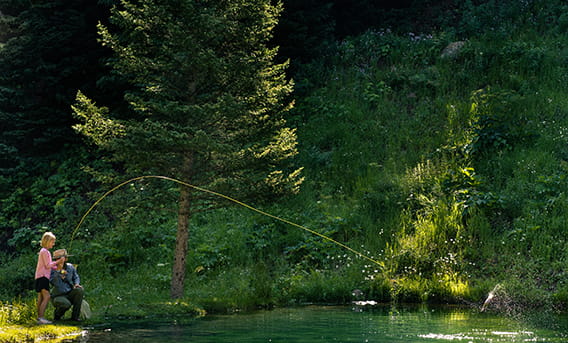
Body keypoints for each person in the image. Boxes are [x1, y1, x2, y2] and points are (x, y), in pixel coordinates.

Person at [50, 249, 84, 321]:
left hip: (69, 292)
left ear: (65, 258)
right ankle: (57, 315)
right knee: (66, 304)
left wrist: (76, 284)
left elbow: (76, 277)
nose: (58, 260)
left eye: (60, 258)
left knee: (79, 290)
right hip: (58, 295)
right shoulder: (52, 269)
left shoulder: (70, 267)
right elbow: (53, 282)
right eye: (56, 259)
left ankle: (75, 317)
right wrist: (58, 271)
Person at [35, 231, 60, 324]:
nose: (53, 244)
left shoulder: (43, 251)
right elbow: (48, 265)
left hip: (39, 276)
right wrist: (58, 261)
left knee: (41, 298)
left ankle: (39, 318)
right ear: (47, 241)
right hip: (43, 277)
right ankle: (41, 318)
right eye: (52, 242)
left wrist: (57, 267)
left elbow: (49, 265)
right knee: (47, 296)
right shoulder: (45, 252)